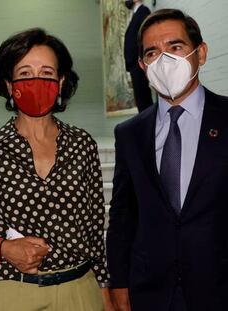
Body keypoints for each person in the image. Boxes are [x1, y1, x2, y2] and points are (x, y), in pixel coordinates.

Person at [0, 28, 112, 311]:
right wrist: (2, 248)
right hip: (14, 292)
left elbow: (94, 226)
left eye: (46, 73)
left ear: (61, 81)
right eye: (26, 74)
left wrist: (104, 288)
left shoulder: (82, 145)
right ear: (9, 84)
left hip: (80, 290)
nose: (37, 82)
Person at [106, 8, 228, 311]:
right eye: (152, 53)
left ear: (200, 54)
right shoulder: (129, 134)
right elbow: (123, 215)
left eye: (175, 47)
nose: (164, 60)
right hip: (150, 293)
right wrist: (118, 284)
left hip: (220, 288)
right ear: (142, 65)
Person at [124, 0, 153, 111]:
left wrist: (143, 59)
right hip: (135, 64)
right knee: (140, 98)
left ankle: (148, 126)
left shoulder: (143, 11)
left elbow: (147, 36)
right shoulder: (136, 14)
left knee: (143, 98)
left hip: (139, 63)